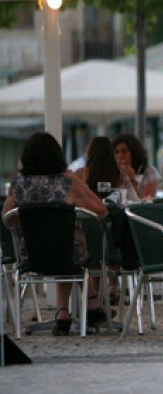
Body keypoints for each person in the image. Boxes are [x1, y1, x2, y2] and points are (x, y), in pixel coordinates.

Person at [2, 132, 109, 336]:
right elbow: (101, 210)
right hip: (65, 253)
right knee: (71, 242)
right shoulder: (66, 182)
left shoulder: (17, 185)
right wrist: (80, 185)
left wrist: (33, 221)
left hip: (30, 255)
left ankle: (64, 311)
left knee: (69, 238)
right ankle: (89, 302)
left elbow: (7, 217)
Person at [74, 136, 138, 200]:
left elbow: (71, 199)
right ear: (111, 154)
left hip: (87, 209)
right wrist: (132, 180)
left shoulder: (80, 173)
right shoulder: (120, 174)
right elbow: (133, 199)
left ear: (90, 153)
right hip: (113, 209)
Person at [112, 134, 160, 200]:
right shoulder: (113, 172)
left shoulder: (149, 171)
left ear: (134, 152)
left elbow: (144, 203)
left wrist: (132, 181)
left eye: (124, 151)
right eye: (117, 152)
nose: (120, 156)